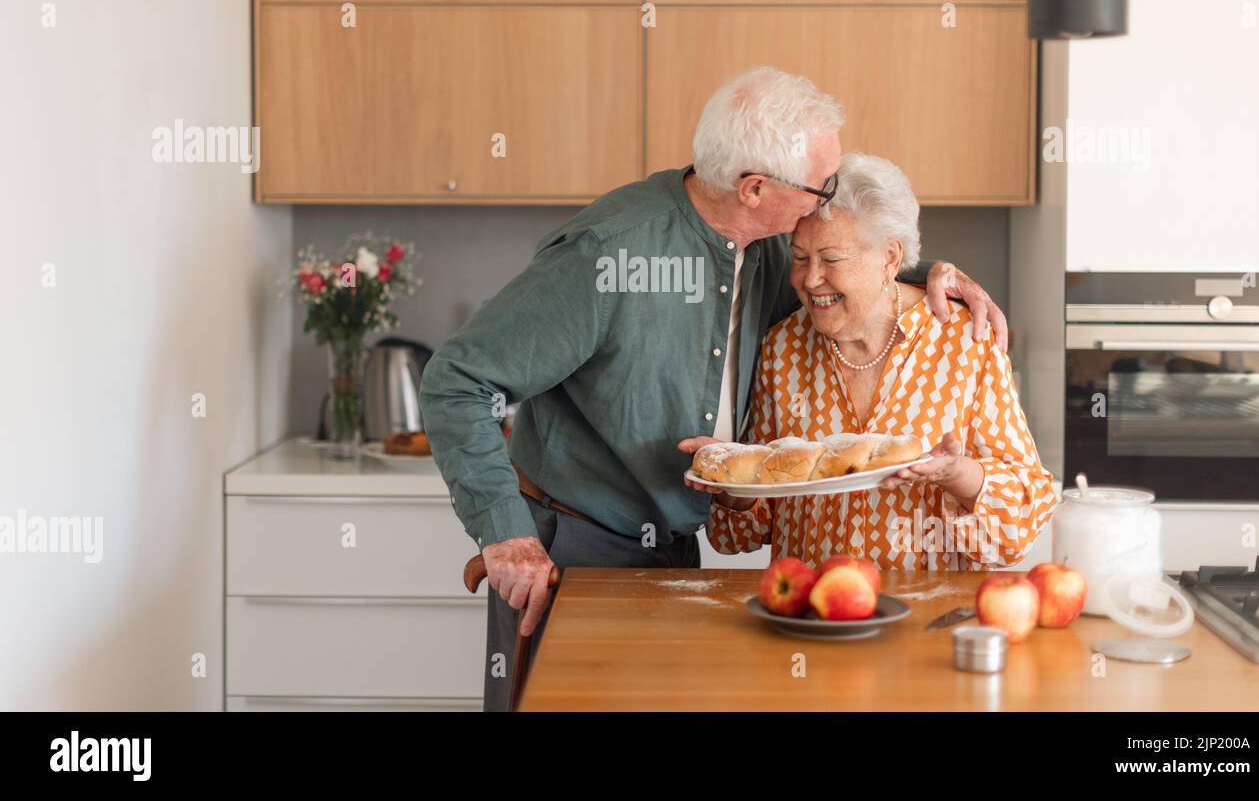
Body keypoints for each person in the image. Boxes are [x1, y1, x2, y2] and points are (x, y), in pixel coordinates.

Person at [418, 67, 1009, 710]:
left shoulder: (763, 246)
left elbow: (854, 260)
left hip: (671, 553)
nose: (827, 198)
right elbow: (458, 380)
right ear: (755, 187)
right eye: (822, 185)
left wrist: (934, 273)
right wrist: (507, 536)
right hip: (575, 552)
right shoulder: (610, 254)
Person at [686, 153, 1056, 569]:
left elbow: (1024, 519)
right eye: (801, 257)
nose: (809, 280)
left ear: (891, 259)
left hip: (925, 618)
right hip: (811, 613)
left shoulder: (965, 340)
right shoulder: (783, 347)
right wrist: (732, 480)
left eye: (832, 258)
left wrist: (956, 474)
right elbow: (741, 535)